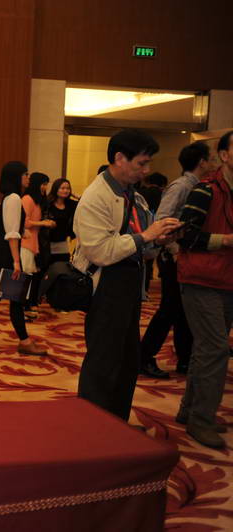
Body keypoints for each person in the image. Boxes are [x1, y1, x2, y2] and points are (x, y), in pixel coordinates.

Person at [72, 129, 181, 422]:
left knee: (127, 361)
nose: (146, 170)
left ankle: (116, 425)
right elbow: (101, 252)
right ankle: (92, 426)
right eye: (141, 163)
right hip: (105, 287)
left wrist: (158, 240)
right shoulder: (96, 196)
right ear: (119, 158)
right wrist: (146, 236)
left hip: (130, 285)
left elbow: (143, 246)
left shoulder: (134, 195)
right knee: (103, 363)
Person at [175, 131, 233, 449]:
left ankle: (190, 411)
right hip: (200, 279)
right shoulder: (205, 190)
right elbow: (185, 235)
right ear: (224, 155)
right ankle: (201, 420)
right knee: (215, 350)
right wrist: (224, 240)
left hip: (226, 280)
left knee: (206, 350)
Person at [139, 142, 212, 380]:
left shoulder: (198, 185)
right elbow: (161, 219)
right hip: (173, 257)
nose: (213, 163)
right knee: (169, 309)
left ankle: (184, 359)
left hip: (183, 257)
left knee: (182, 309)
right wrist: (174, 250)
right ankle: (143, 356)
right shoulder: (181, 186)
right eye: (210, 158)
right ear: (202, 161)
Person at [0, 161, 48, 356]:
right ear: (16, 177)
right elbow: (11, 233)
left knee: (4, 299)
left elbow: (11, 228)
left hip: (3, 254)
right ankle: (21, 342)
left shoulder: (10, 197)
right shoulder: (13, 198)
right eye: (25, 174)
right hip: (6, 256)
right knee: (7, 299)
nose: (28, 178)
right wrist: (16, 262)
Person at [20, 172, 56, 320]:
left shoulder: (38, 201)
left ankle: (27, 305)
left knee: (31, 277)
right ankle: (22, 307)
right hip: (25, 242)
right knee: (25, 276)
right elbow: (24, 222)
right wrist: (43, 223)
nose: (45, 187)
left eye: (46, 184)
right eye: (43, 184)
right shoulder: (27, 199)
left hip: (33, 242)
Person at [44, 178, 78, 265]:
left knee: (63, 268)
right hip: (47, 244)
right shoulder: (48, 203)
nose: (65, 190)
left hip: (63, 243)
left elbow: (84, 202)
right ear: (56, 189)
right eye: (62, 188)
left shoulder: (71, 204)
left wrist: (75, 195)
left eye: (68, 188)